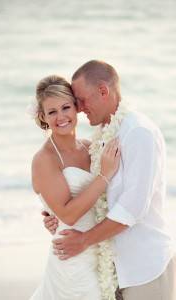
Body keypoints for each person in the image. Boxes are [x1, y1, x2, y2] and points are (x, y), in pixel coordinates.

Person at [43, 60, 176, 300]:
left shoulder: (138, 132)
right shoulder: (103, 135)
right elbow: (100, 194)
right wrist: (59, 216)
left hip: (144, 268)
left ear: (103, 91)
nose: (79, 109)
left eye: (82, 100)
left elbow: (132, 208)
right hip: (112, 268)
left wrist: (83, 240)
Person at [29, 74, 121, 300]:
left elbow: (108, 197)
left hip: (100, 249)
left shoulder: (91, 147)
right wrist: (104, 175)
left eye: (65, 107)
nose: (61, 117)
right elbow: (68, 215)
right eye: (52, 112)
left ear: (77, 108)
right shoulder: (45, 159)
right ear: (43, 117)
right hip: (71, 257)